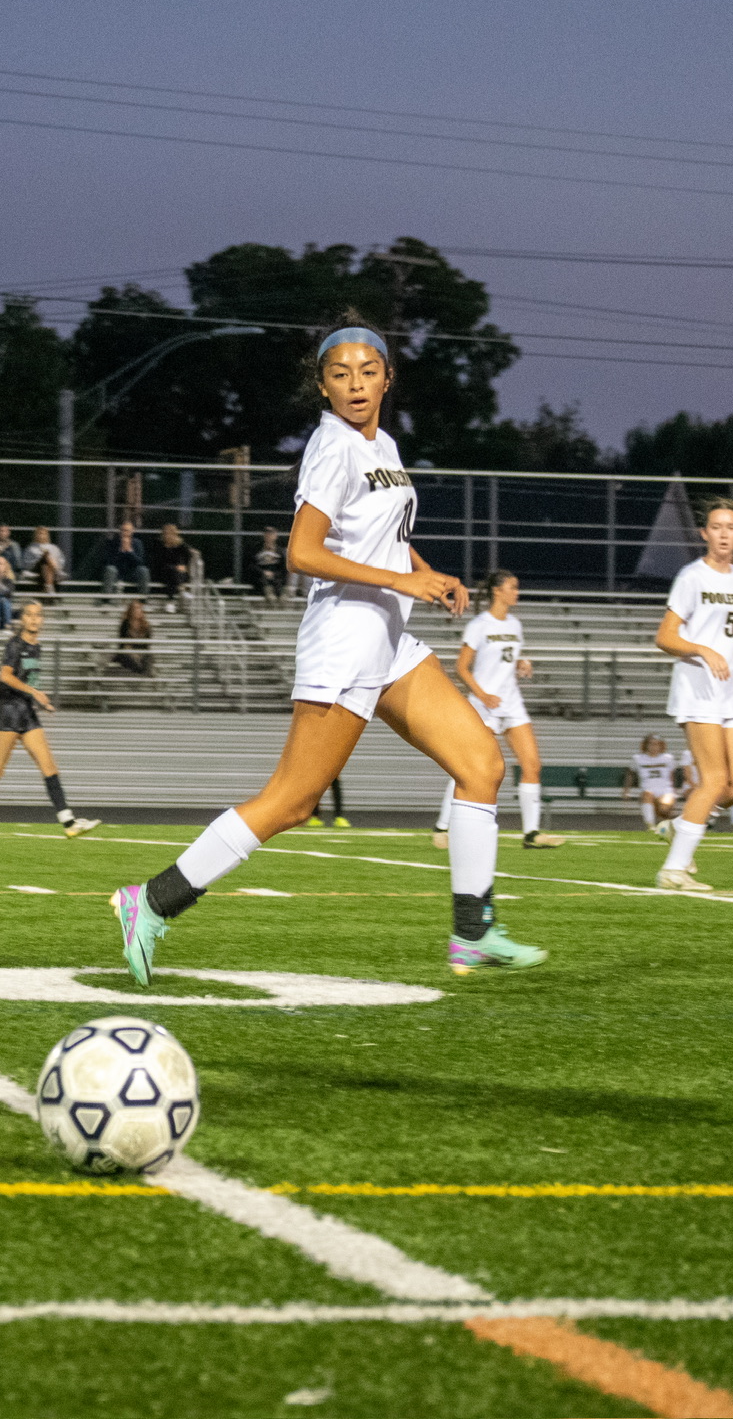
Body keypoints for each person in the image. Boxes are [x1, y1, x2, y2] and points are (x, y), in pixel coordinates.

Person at [109, 321, 545, 983]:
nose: (356, 384)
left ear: (387, 377)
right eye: (341, 374)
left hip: (389, 638)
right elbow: (303, 553)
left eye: (368, 371)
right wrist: (404, 580)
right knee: (291, 802)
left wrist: (429, 573)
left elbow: (387, 540)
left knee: (482, 764)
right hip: (344, 638)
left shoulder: (385, 445)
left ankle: (473, 931)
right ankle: (152, 901)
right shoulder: (332, 447)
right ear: (324, 385)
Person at [649, 499, 733, 890]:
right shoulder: (691, 576)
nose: (723, 533)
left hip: (729, 690)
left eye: (730, 527)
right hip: (697, 687)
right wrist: (703, 649)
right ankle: (673, 869)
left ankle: (681, 825)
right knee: (715, 779)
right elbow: (664, 637)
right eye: (716, 527)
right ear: (704, 533)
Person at [432, 570, 563, 850]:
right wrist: (483, 695)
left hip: (511, 702)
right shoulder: (480, 625)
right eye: (513, 587)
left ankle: (531, 834)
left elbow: (507, 659)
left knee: (532, 765)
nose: (517, 592)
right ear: (497, 591)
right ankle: (442, 826)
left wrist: (522, 663)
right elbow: (461, 668)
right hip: (484, 705)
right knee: (469, 768)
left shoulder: (515, 624)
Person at [0, 601, 98, 839]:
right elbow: (4, 676)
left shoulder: (37, 648)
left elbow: (29, 683)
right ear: (23, 619)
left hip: (26, 712)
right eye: (30, 615)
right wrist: (33, 692)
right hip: (8, 711)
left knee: (49, 766)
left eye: (39, 615)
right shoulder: (14, 645)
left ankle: (69, 823)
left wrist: (40, 701)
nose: (34, 619)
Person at [625, 735, 686, 830]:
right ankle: (650, 825)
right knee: (647, 795)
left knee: (664, 809)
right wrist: (626, 791)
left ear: (661, 746)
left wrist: (673, 790)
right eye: (651, 744)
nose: (654, 747)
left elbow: (672, 775)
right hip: (648, 788)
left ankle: (663, 821)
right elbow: (630, 774)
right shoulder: (638, 759)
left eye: (657, 744)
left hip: (665, 789)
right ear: (645, 745)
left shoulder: (668, 758)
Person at [98, 521, 151, 599]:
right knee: (110, 569)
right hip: (117, 572)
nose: (125, 533)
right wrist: (121, 551)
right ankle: (106, 598)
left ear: (132, 531)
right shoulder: (113, 542)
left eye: (127, 530)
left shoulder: (137, 543)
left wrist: (130, 551)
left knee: (144, 570)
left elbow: (140, 562)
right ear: (120, 531)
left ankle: (143, 598)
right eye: (123, 530)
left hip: (132, 573)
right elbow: (109, 561)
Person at [155, 522, 198, 610]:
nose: (169, 536)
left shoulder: (180, 545)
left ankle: (170, 601)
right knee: (172, 571)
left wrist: (185, 566)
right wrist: (176, 567)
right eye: (167, 534)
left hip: (176, 574)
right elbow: (159, 563)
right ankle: (182, 589)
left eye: (171, 534)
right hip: (163, 571)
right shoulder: (159, 545)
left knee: (175, 573)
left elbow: (191, 553)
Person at [111, 597, 154, 677]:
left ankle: (145, 672)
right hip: (128, 652)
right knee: (126, 654)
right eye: (135, 609)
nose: (137, 611)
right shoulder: (125, 624)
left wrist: (139, 652)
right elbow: (122, 643)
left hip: (141, 651)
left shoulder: (146, 625)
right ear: (131, 611)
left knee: (149, 656)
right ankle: (142, 671)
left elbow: (147, 643)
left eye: (139, 609)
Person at [22, 525, 65, 598]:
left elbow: (61, 560)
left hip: (49, 570)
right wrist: (41, 557)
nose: (41, 536)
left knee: (46, 563)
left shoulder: (54, 547)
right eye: (39, 533)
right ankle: (56, 576)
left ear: (47, 535)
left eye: (43, 533)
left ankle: (48, 586)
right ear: (36, 535)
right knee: (45, 558)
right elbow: (26, 562)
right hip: (36, 569)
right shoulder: (30, 548)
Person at [253, 527, 287, 604]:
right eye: (267, 534)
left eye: (271, 534)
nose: (269, 536)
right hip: (261, 578)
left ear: (276, 536)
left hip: (276, 579)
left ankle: (280, 596)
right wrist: (263, 572)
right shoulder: (256, 550)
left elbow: (283, 568)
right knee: (263, 580)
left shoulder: (280, 551)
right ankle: (270, 595)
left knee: (278, 584)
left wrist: (274, 574)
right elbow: (251, 565)